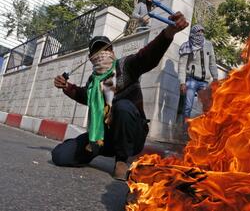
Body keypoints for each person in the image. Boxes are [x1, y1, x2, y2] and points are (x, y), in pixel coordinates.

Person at [51, 12, 189, 180]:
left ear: (112, 50)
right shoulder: (93, 82)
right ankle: (87, 145)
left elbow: (147, 57)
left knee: (122, 107)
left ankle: (122, 160)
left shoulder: (125, 66)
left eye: (106, 49)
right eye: (97, 51)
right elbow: (84, 96)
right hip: (104, 136)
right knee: (60, 156)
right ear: (90, 58)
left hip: (132, 135)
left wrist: (169, 33)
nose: (102, 53)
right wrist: (67, 87)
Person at [178, 24, 218, 120]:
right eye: (198, 31)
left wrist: (215, 78)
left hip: (204, 82)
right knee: (188, 107)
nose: (201, 34)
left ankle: (202, 130)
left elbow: (212, 63)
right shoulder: (187, 46)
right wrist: (182, 82)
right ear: (193, 33)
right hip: (191, 80)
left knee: (207, 107)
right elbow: (182, 66)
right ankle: (183, 130)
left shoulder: (208, 45)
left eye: (202, 31)